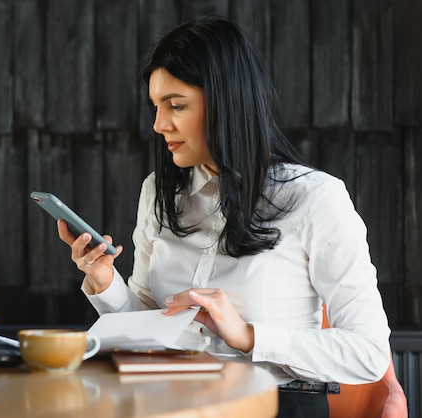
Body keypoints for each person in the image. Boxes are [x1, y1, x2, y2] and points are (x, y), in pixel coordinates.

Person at [56, 16, 391, 418]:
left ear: (226, 102)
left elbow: (368, 353)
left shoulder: (316, 199)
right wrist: (105, 282)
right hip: (170, 404)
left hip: (274, 405)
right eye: (156, 106)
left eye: (176, 106)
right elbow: (148, 327)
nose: (159, 125)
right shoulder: (158, 192)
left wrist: (249, 336)